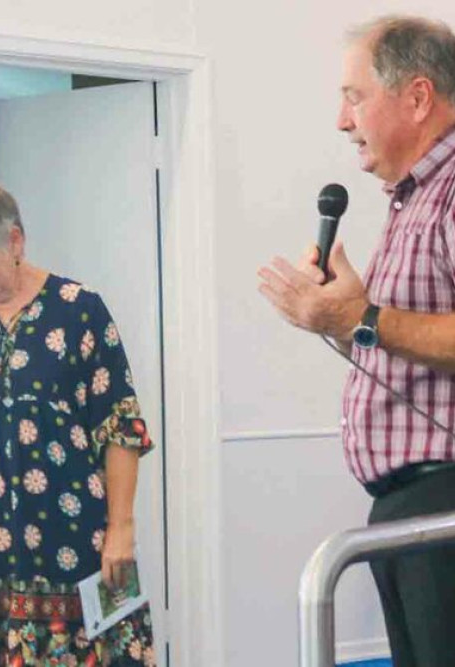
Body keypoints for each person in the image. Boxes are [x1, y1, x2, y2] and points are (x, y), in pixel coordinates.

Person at [258, 16, 455, 667]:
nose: (344, 121)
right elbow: (404, 342)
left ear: (418, 97)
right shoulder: (412, 199)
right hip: (405, 503)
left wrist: (359, 317)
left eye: (354, 96)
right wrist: (338, 318)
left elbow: (384, 324)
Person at [0, 184, 155, 665]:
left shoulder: (79, 310)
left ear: (16, 241)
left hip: (69, 531)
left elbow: (121, 426)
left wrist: (122, 528)